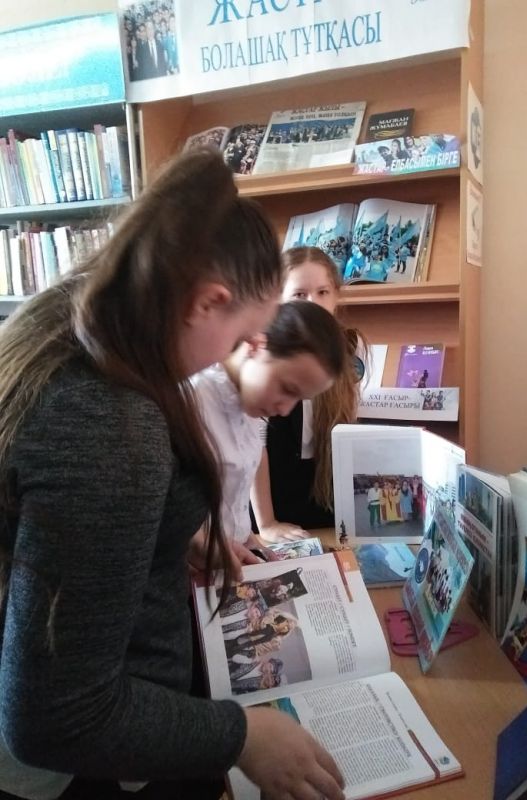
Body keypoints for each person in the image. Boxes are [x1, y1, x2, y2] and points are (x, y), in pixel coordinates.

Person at [0, 149, 345, 800]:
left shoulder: (82, 332)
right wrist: (242, 736)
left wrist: (177, 533)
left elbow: (65, 536)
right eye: (243, 336)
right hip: (83, 774)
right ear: (209, 302)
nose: (238, 355)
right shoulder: (108, 422)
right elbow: (58, 718)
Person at [188, 300, 347, 573]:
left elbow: (230, 499)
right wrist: (199, 545)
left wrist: (246, 537)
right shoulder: (193, 400)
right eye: (287, 389)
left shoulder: (249, 404)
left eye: (299, 399)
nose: (285, 410)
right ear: (256, 345)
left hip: (230, 560)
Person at [251, 246, 365, 540]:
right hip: (271, 501)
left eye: (322, 292)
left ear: (336, 296)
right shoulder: (264, 351)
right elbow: (252, 447)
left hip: (326, 498)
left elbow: (351, 430)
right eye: (300, 294)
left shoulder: (351, 349)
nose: (313, 303)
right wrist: (267, 523)